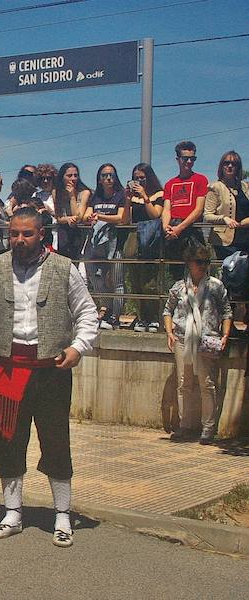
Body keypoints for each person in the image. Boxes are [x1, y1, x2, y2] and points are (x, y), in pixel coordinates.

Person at [0, 207, 99, 548]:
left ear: (42, 233)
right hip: (8, 368)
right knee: (7, 441)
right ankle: (12, 512)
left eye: (26, 234)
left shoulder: (64, 267)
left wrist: (78, 347)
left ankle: (62, 515)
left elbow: (87, 312)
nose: (18, 240)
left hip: (50, 371)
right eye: (13, 233)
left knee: (56, 440)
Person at [163, 244, 232, 444]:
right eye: (199, 262)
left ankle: (208, 428)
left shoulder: (215, 286)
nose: (203, 266)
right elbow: (168, 310)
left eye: (206, 262)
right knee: (184, 383)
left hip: (206, 339)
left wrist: (225, 334)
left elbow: (227, 311)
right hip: (183, 337)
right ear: (189, 263)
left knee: (206, 383)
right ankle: (185, 425)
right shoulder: (179, 287)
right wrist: (169, 332)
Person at [83, 164, 129, 330]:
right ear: (99, 179)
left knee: (117, 280)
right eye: (104, 175)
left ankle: (116, 315)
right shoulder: (95, 196)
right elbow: (88, 213)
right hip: (96, 243)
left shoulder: (121, 195)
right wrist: (90, 217)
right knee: (96, 277)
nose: (108, 178)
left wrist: (101, 216)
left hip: (115, 243)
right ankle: (106, 307)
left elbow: (121, 218)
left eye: (111, 175)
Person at [124, 163, 165, 333]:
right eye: (136, 178)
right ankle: (142, 317)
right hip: (134, 238)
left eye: (142, 178)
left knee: (150, 283)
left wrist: (145, 196)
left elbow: (155, 214)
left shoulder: (158, 194)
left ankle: (153, 317)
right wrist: (127, 201)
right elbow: (126, 219)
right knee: (136, 282)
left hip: (151, 238)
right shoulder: (132, 197)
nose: (139, 181)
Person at [162, 141, 209, 276]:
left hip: (193, 231)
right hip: (174, 234)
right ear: (178, 160)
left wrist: (180, 228)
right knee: (175, 275)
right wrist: (166, 227)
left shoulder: (201, 179)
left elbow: (199, 209)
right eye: (185, 158)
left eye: (192, 158)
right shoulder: (170, 183)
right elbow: (166, 209)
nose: (189, 161)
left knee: (198, 274)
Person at [204, 150, 249, 259]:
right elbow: (207, 215)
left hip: (246, 238)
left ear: (238, 167)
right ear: (221, 166)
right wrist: (224, 219)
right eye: (226, 163)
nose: (230, 166)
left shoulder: (245, 186)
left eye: (234, 164)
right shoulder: (215, 187)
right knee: (232, 273)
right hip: (225, 241)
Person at [53, 162, 91, 260]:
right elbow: (59, 217)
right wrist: (68, 219)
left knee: (75, 262)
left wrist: (72, 197)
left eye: (75, 175)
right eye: (69, 176)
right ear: (62, 177)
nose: (73, 179)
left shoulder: (85, 193)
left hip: (78, 231)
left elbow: (78, 216)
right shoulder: (56, 192)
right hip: (64, 231)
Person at [35, 164, 58, 248]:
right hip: (42, 234)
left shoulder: (60, 194)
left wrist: (49, 210)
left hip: (57, 233)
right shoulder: (36, 195)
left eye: (48, 178)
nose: (45, 181)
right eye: (42, 178)